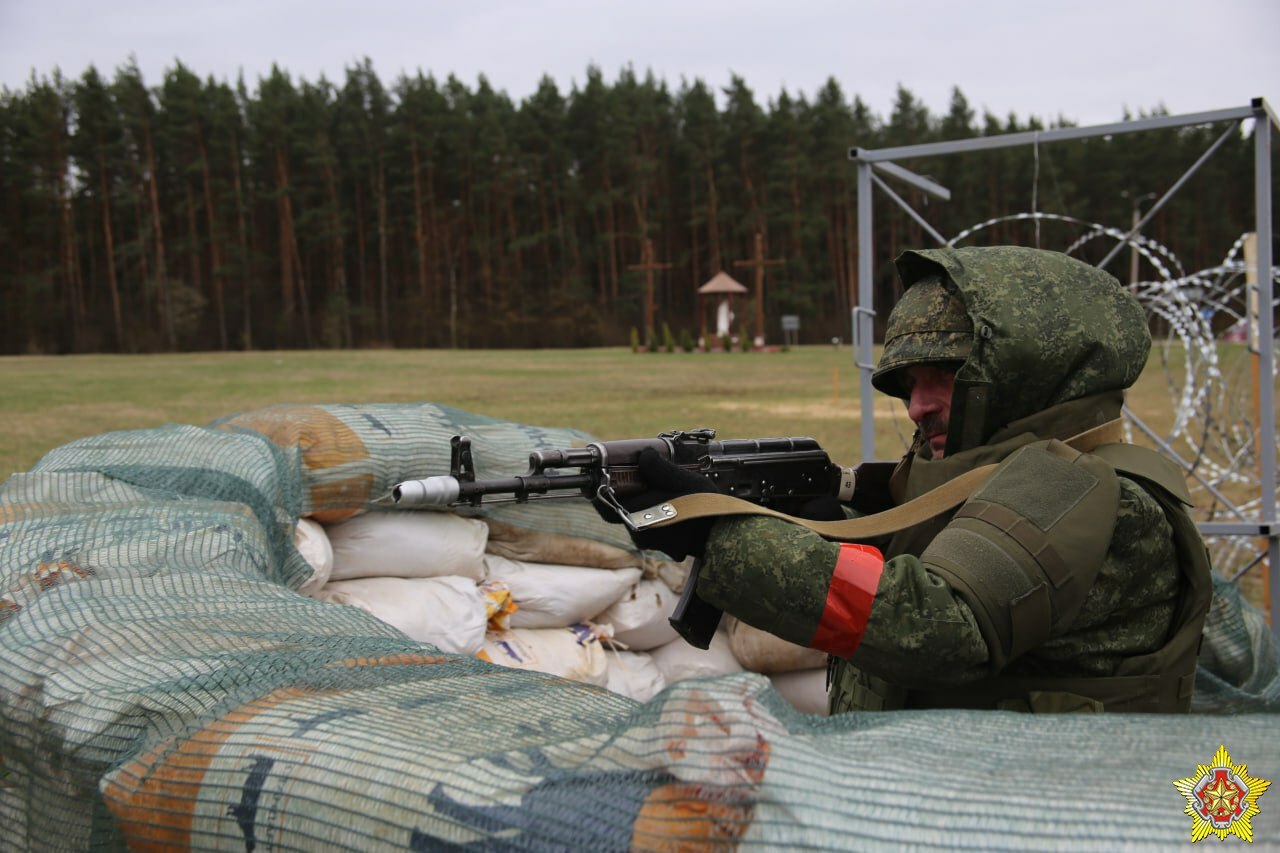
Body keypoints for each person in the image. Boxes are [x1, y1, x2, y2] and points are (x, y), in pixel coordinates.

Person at [602, 246, 1212, 714]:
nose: (916, 406)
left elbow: (940, 625)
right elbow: (924, 568)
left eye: (943, 376)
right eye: (908, 383)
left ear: (1029, 374)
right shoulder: (987, 474)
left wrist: (723, 536)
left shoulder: (1099, 497)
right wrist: (825, 529)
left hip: (1056, 809)